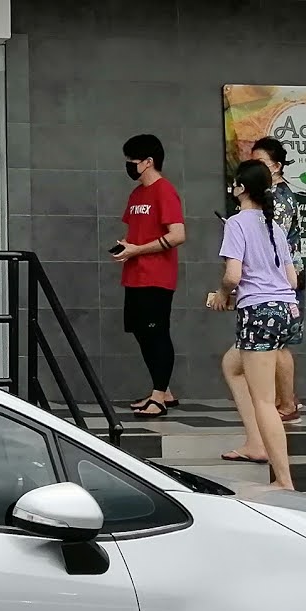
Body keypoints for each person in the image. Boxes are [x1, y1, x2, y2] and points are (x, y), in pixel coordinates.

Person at [206, 160, 300, 491]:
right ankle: (255, 444)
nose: (232, 189)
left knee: (264, 400)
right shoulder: (274, 225)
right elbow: (291, 276)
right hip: (285, 310)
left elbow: (232, 275)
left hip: (258, 312)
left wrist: (222, 294)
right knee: (232, 366)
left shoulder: (236, 223)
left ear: (243, 188)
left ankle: (284, 480)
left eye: (235, 184)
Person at [112, 133, 186, 418]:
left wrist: (138, 249)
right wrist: (126, 247)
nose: (129, 165)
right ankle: (163, 389)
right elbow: (138, 231)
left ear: (148, 161)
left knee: (157, 333)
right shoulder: (137, 194)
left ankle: (158, 395)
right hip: (134, 275)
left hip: (157, 276)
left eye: (132, 160)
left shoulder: (164, 191)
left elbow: (177, 234)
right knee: (142, 333)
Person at [250, 135, 306, 424]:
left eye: (260, 162)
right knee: (275, 343)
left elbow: (273, 240)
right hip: (276, 277)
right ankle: (285, 400)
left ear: (277, 166)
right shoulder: (268, 195)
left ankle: (286, 405)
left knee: (280, 343)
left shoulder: (278, 198)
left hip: (282, 278)